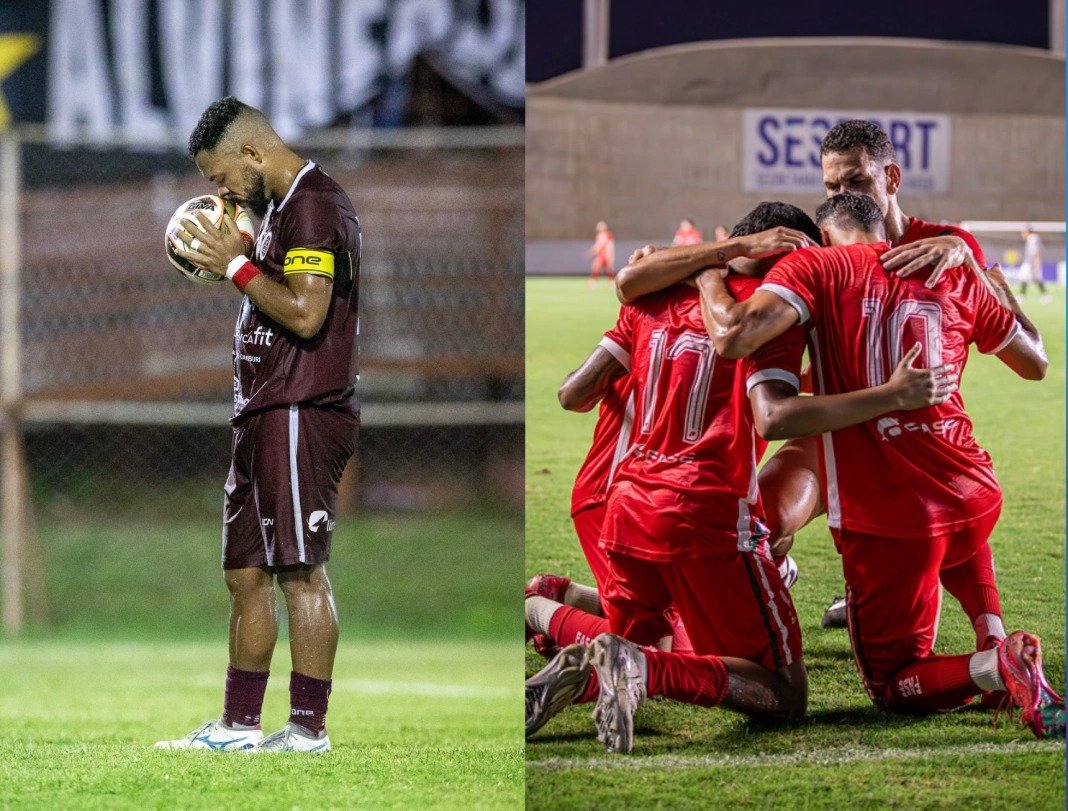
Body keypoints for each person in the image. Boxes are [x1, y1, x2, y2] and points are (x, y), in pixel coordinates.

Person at [526, 203, 961, 752]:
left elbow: (575, 389)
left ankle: (564, 624)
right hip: (706, 518)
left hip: (627, 510)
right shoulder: (766, 325)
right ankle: (630, 660)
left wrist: (700, 268)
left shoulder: (653, 299)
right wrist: (893, 394)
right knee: (781, 690)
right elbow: (775, 415)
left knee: (661, 639)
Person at [693, 191, 1063, 738]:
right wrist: (989, 280)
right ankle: (991, 630)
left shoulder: (817, 265)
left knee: (892, 682)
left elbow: (738, 339)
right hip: (975, 491)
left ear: (823, 234)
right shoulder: (950, 265)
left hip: (896, 523)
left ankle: (996, 664)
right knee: (952, 518)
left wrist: (706, 269)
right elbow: (1034, 362)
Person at [617, 119, 997, 635]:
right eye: (832, 186)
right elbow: (666, 297)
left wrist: (964, 252)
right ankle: (730, 590)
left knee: (941, 506)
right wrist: (707, 260)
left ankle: (985, 628)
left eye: (857, 183)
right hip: (838, 426)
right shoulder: (820, 248)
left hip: (916, 432)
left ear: (892, 178)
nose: (844, 194)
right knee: (758, 522)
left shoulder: (942, 246)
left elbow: (1022, 343)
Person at [156, 96, 361, 753]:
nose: (219, 193)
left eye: (220, 178)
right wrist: (244, 258)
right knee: (245, 574)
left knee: (300, 569)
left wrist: (236, 267)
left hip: (301, 408)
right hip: (260, 410)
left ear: (251, 153)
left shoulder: (314, 204)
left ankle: (307, 729)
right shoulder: (276, 215)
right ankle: (239, 724)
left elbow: (305, 315)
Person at [1019, 225, 1048, 301]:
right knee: (1035, 278)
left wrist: (1035, 263)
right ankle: (1045, 295)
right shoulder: (1032, 239)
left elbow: (1035, 251)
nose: (1022, 234)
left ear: (1027, 232)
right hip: (1030, 262)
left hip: (1031, 262)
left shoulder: (1033, 238)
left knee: (1026, 276)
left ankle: (1022, 295)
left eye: (1023, 232)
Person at [586, 221, 615, 285]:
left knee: (609, 268)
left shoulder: (608, 235)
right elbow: (597, 246)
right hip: (600, 254)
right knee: (596, 266)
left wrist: (610, 255)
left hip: (605, 254)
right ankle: (593, 280)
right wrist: (591, 252)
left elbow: (610, 245)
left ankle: (612, 281)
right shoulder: (599, 236)